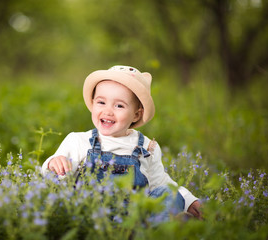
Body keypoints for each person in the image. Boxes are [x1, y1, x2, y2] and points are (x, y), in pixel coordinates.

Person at [41, 65, 202, 220]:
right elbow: (53, 177)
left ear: (136, 115)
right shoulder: (79, 141)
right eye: (101, 102)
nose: (108, 111)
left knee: (170, 193)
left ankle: (161, 227)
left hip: (135, 219)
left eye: (119, 105)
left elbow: (160, 182)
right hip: (91, 216)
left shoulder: (146, 147)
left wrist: (188, 200)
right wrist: (53, 163)